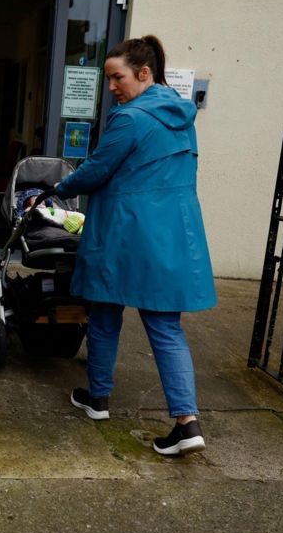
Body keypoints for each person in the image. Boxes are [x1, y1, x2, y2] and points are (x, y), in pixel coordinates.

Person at [55, 35, 216, 456]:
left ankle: (99, 398)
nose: (111, 87)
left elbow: (95, 171)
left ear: (144, 73)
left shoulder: (130, 119)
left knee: (105, 312)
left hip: (126, 234)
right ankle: (187, 422)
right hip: (173, 236)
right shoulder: (181, 116)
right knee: (165, 327)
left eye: (116, 77)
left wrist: (58, 187)